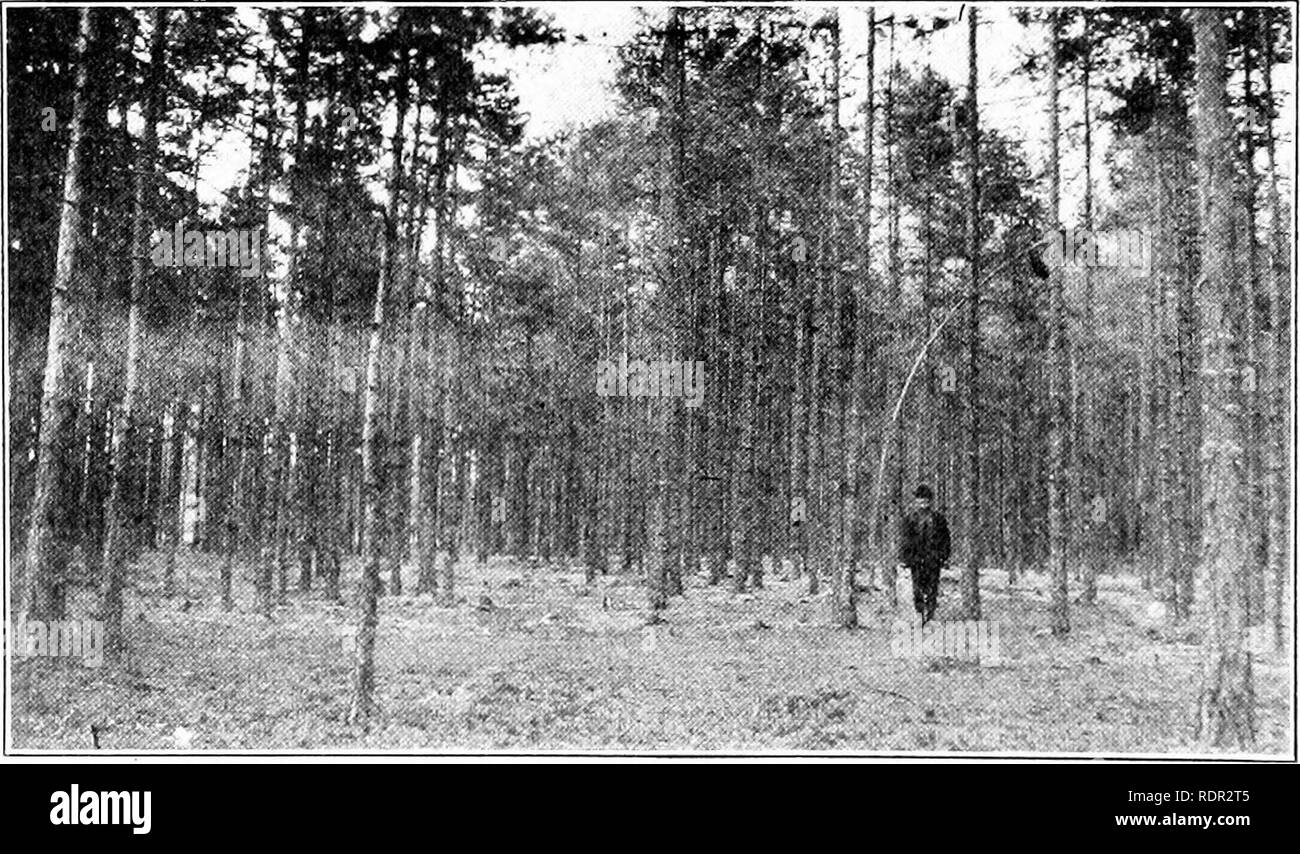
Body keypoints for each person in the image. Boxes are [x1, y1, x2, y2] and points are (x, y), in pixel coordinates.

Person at [898, 485, 951, 624]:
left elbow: (945, 539)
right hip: (916, 559)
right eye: (920, 500)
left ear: (930, 501)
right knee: (917, 588)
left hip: (933, 559)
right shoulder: (910, 519)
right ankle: (920, 613)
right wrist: (905, 558)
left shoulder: (939, 519)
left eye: (925, 500)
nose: (923, 503)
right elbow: (905, 540)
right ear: (916, 501)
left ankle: (931, 614)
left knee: (932, 588)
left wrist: (944, 557)